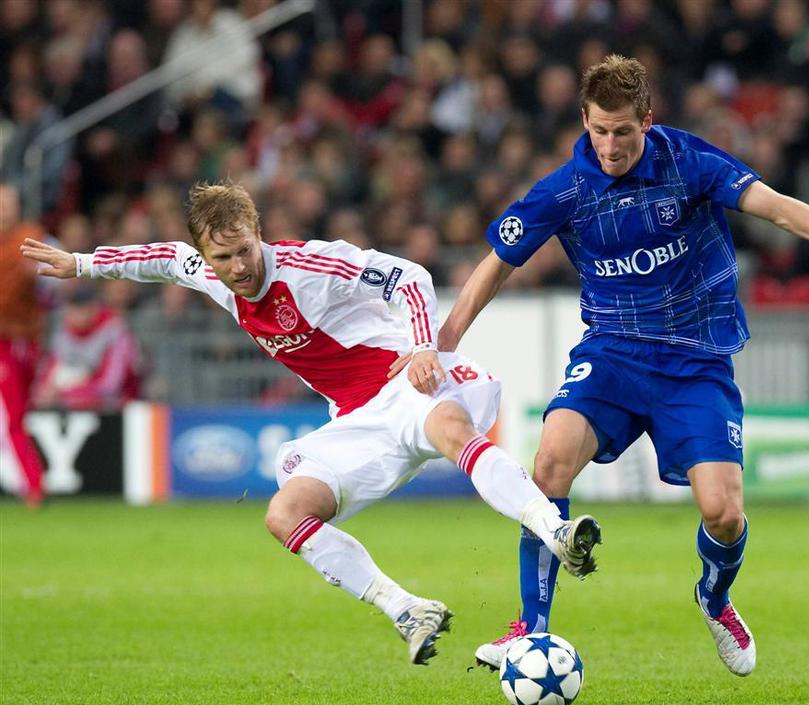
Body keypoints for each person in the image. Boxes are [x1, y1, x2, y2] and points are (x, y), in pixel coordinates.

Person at [433, 55, 809, 676]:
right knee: (550, 460)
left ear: (648, 122)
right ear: (584, 120)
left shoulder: (687, 162)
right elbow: (496, 263)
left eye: (623, 133)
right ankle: (531, 630)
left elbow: (773, 205)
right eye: (599, 131)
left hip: (696, 361)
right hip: (612, 354)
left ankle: (714, 598)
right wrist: (443, 344)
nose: (609, 146)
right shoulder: (565, 190)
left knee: (723, 510)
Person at [21, 182, 602, 665]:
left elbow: (410, 277)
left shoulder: (308, 263)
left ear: (257, 233)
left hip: (407, 379)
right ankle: (406, 608)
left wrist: (426, 346)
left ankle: (551, 527)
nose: (238, 267)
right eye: (223, 259)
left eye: (245, 250)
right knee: (284, 514)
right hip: (356, 422)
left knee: (449, 428)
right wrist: (80, 264)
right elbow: (167, 260)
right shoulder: (211, 272)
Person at [0, 184, 46, 505]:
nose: (5, 210)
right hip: (7, 339)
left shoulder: (29, 237)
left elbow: (49, 272)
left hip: (20, 338)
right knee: (13, 414)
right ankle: (32, 485)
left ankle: (31, 484)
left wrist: (38, 273)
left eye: (9, 203)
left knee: (16, 414)